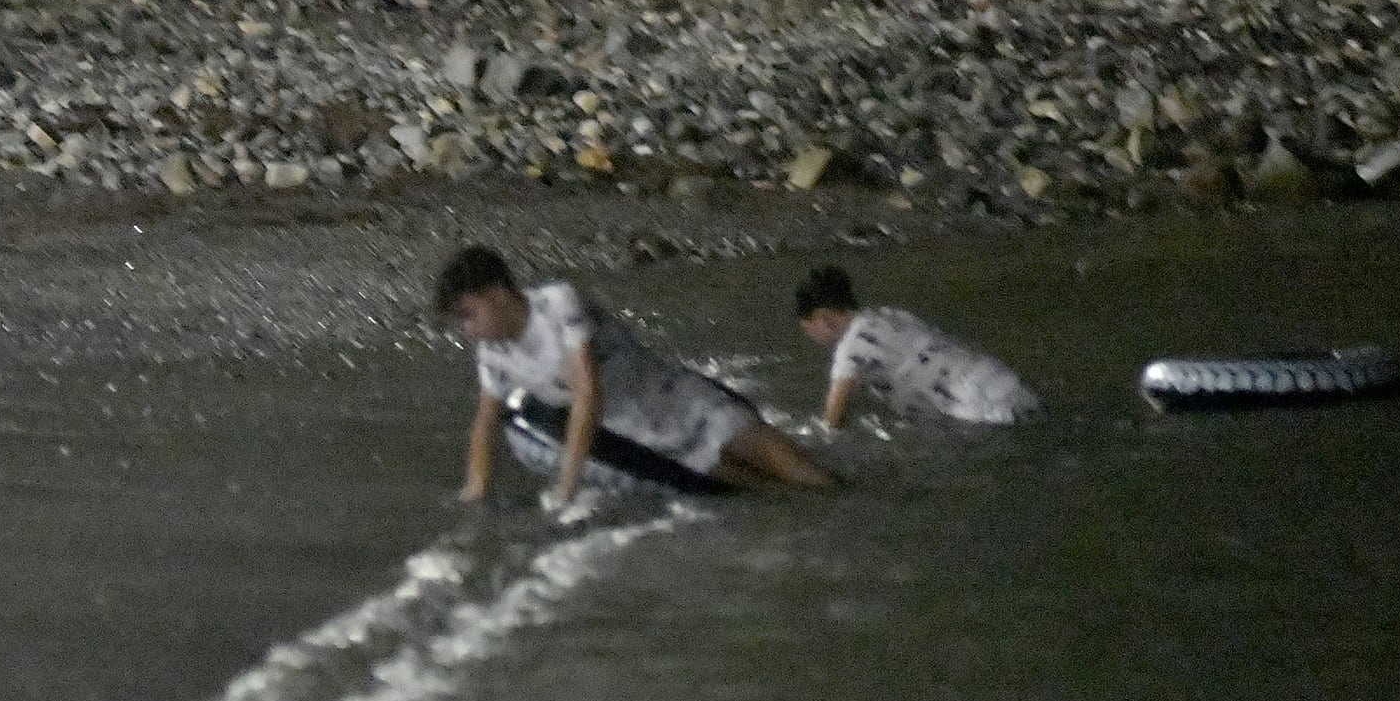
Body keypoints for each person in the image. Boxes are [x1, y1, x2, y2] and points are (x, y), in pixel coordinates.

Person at [438, 246, 832, 508]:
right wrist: (476, 489)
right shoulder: (493, 354)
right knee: (766, 495)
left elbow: (587, 390)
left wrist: (568, 483)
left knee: (808, 478)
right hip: (645, 434)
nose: (466, 329)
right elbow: (485, 422)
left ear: (497, 294)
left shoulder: (556, 304)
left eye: (467, 314)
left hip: (679, 397)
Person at [796, 265, 1038, 428]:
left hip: (979, 411)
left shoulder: (849, 349)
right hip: (1007, 385)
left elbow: (831, 423)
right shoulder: (893, 316)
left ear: (824, 318)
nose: (812, 338)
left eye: (808, 329)